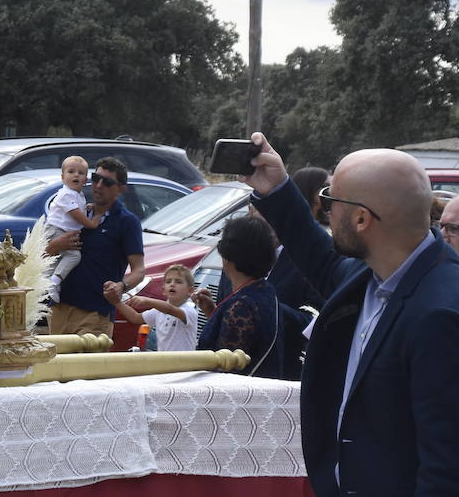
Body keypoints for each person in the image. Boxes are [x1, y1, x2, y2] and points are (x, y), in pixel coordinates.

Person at [243, 131, 459, 496]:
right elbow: (322, 260)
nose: (325, 209)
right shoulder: (375, 272)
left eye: (330, 200)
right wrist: (276, 188)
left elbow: (446, 465)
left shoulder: (440, 314)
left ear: (361, 219)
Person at [46, 157, 145, 339]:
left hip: (94, 314)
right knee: (56, 367)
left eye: (107, 182)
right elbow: (44, 254)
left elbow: (139, 270)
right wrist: (54, 246)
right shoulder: (78, 211)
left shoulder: (126, 222)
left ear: (121, 189)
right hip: (59, 308)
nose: (98, 185)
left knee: (84, 367)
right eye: (95, 178)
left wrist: (121, 286)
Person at [190, 215, 284, 377]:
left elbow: (226, 370)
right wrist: (213, 312)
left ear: (227, 256)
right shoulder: (264, 290)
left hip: (238, 398)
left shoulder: (241, 305)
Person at [107, 262, 198, 352]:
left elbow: (170, 309)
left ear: (190, 290)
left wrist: (147, 301)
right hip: (165, 362)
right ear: (163, 290)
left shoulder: (189, 310)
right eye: (168, 281)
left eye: (178, 282)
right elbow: (135, 317)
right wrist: (117, 302)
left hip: (185, 363)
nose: (172, 284)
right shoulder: (159, 311)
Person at [44, 155, 98, 301]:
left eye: (80, 173)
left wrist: (87, 208)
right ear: (63, 177)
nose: (76, 175)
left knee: (57, 260)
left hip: (63, 230)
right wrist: (91, 223)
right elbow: (76, 215)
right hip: (56, 230)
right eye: (71, 171)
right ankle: (54, 282)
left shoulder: (78, 195)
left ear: (85, 179)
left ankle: (48, 283)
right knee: (74, 256)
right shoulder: (65, 194)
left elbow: (78, 209)